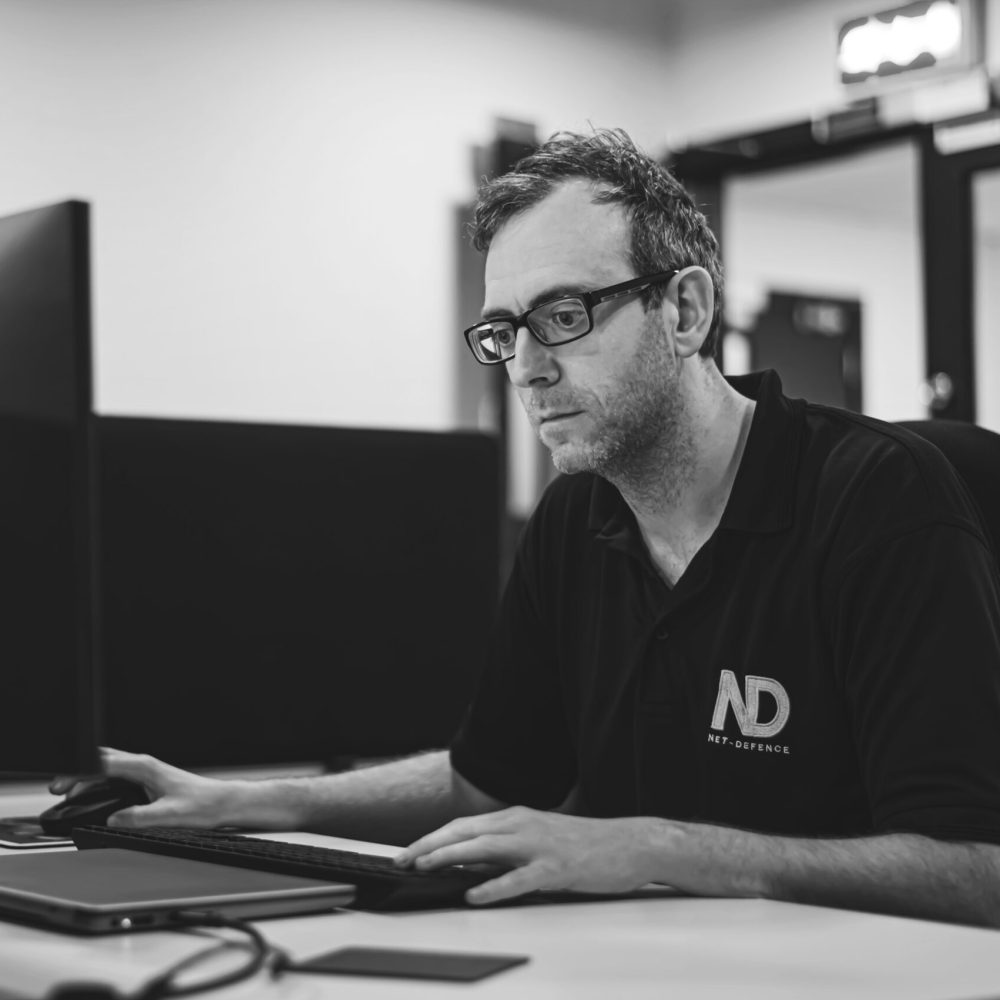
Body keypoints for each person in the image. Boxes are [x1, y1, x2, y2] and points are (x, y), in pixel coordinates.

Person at [54, 128, 1000, 925]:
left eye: (565, 314)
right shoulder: (577, 514)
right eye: (504, 330)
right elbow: (491, 781)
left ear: (686, 309)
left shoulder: (881, 502)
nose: (525, 368)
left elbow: (973, 869)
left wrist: (657, 847)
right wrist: (248, 805)